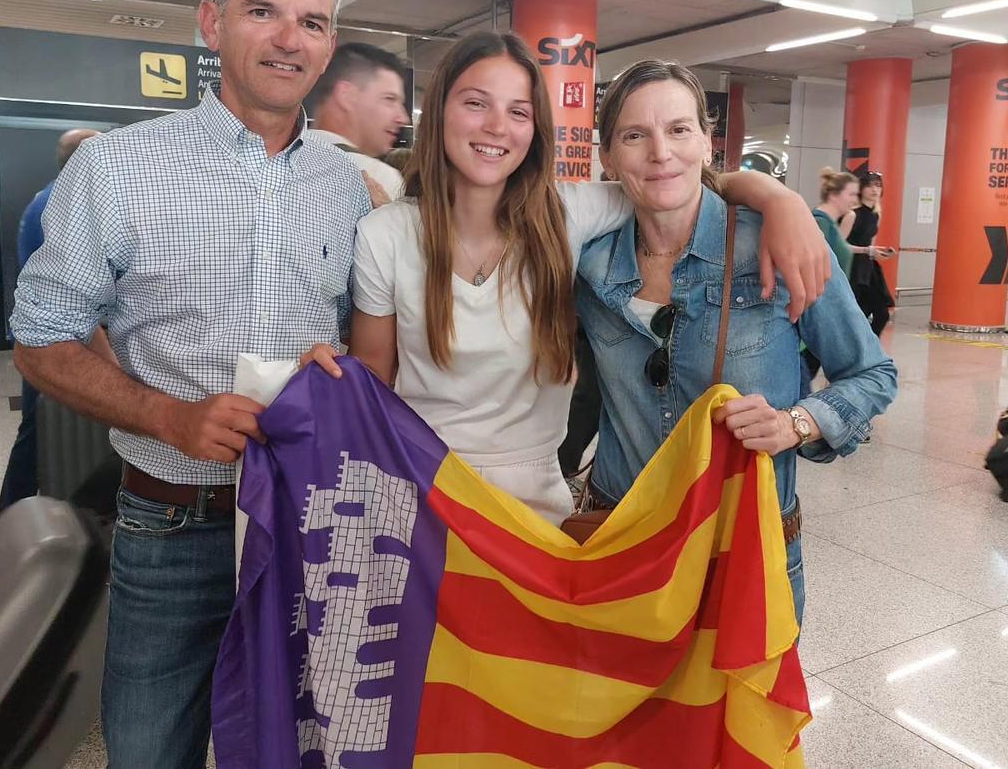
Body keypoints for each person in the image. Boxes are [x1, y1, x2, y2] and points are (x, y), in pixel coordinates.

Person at [10, 0, 370, 768]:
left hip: (304, 525)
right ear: (211, 23)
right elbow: (39, 337)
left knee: (297, 750)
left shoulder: (345, 188)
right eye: (262, 11)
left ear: (329, 46)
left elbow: (361, 344)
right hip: (172, 525)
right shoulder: (117, 170)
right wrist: (167, 416)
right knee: (148, 751)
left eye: (312, 22)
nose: (289, 39)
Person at [302, 30, 832, 524]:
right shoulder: (386, 234)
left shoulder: (565, 214)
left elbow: (670, 178)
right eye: (475, 103)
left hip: (538, 506)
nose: (495, 126)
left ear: (535, 131)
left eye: (518, 111)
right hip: (420, 493)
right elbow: (371, 383)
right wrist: (321, 379)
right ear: (439, 110)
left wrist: (778, 198)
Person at [573, 60, 898, 623]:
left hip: (743, 543)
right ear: (608, 156)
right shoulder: (589, 259)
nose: (660, 152)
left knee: (737, 707)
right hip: (621, 536)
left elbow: (872, 373)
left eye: (678, 129)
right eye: (634, 135)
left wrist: (797, 423)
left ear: (705, 141)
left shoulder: (772, 245)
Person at [0, 128, 101, 512]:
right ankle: (14, 515)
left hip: (46, 336)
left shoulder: (47, 197)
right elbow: (74, 291)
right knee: (39, 430)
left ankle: (16, 511)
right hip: (56, 341)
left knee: (37, 427)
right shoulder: (63, 204)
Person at [306, 41, 408, 203]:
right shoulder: (381, 178)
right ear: (347, 95)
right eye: (389, 99)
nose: (402, 118)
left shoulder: (271, 161)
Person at [802, 168, 860, 379]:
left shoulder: (831, 224)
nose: (855, 199)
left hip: (827, 306)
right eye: (851, 194)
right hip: (818, 308)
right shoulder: (820, 223)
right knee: (805, 368)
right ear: (834, 195)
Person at [842, 171, 895, 336]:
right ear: (861, 188)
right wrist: (866, 250)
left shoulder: (875, 215)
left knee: (882, 313)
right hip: (851, 268)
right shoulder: (852, 214)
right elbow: (839, 245)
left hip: (868, 268)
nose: (875, 190)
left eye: (878, 185)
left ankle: (869, 352)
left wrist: (879, 253)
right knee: (852, 315)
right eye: (870, 185)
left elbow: (869, 244)